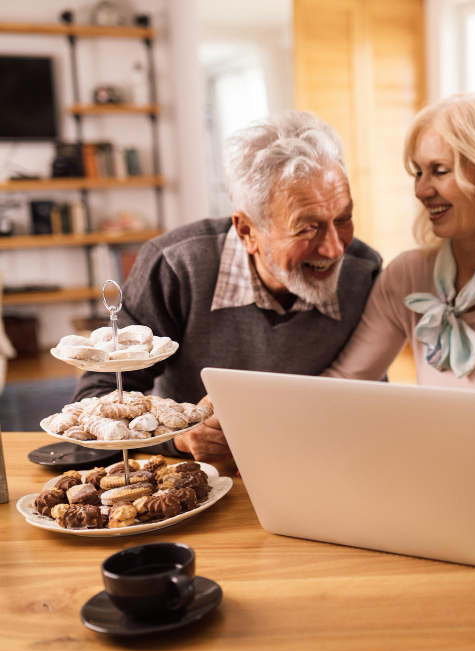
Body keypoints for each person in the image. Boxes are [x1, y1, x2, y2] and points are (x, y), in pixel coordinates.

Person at [73, 111, 382, 462]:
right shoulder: (176, 266)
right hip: (201, 476)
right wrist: (180, 437)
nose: (335, 249)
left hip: (316, 464)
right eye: (308, 228)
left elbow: (371, 396)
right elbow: (96, 399)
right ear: (247, 231)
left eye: (342, 218)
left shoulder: (363, 271)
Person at [322, 93, 475, 451]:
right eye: (418, 172)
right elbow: (344, 381)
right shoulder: (407, 275)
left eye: (439, 170)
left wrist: (457, 434)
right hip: (444, 469)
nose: (422, 190)